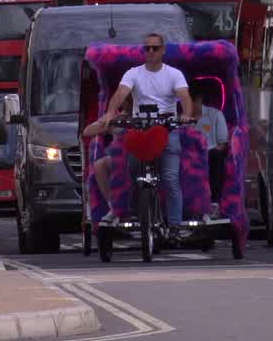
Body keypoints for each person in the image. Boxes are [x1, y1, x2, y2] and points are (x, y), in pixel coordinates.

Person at [80, 33, 194, 239]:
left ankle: (175, 226)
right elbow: (121, 93)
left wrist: (185, 114)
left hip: (167, 130)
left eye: (155, 48)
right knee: (133, 174)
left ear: (163, 50)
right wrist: (109, 113)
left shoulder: (174, 74)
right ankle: (138, 214)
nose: (150, 52)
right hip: (140, 129)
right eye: (147, 48)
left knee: (170, 178)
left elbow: (184, 97)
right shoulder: (133, 73)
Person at [191, 82, 230, 222]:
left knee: (215, 156)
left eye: (191, 101)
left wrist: (205, 154)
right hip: (187, 157)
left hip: (208, 155)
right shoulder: (180, 118)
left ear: (199, 99)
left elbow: (222, 144)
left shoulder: (215, 115)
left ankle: (214, 203)